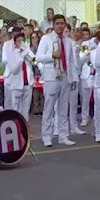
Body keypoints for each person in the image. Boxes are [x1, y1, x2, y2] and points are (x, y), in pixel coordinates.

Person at [34, 14, 75, 147]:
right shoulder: (46, 39)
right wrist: (51, 55)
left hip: (65, 76)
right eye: (57, 23)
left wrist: (73, 78)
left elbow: (71, 62)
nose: (60, 26)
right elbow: (38, 57)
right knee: (49, 107)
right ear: (53, 25)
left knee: (63, 107)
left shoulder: (68, 41)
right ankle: (47, 136)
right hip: (52, 77)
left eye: (62, 23)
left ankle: (63, 135)